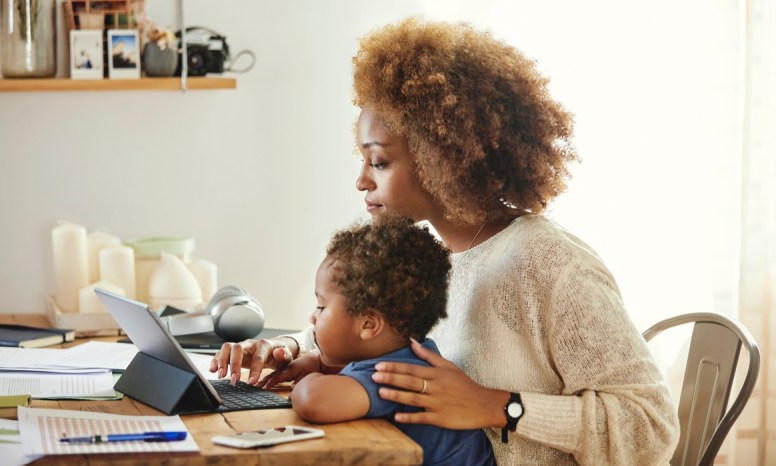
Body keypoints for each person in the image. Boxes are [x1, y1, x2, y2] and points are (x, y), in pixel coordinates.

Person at [210, 17, 679, 465]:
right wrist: (290, 349)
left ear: (443, 157)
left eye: (379, 162)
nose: (361, 181)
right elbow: (375, 332)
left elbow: (651, 428)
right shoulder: (432, 257)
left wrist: (499, 407)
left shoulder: (550, 263)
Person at [259, 215, 496, 465]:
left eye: (321, 306)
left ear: (369, 325)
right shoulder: (418, 354)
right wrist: (319, 364)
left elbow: (313, 401)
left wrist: (310, 381)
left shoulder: (396, 375)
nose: (313, 317)